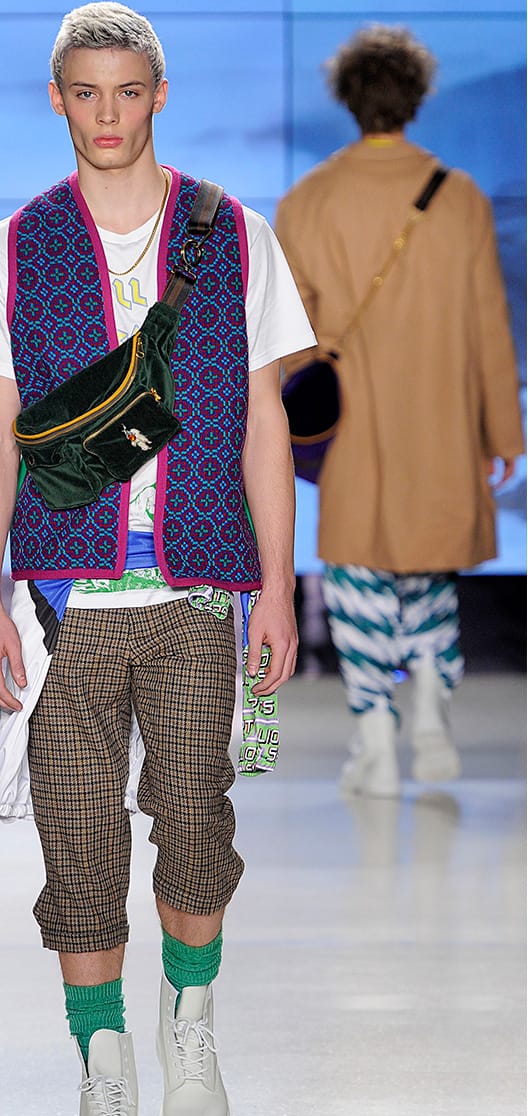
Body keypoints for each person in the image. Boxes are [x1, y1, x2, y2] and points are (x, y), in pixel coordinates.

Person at [0, 1, 314, 1116]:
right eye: (85, 92)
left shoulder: (237, 234)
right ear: (58, 99)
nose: (107, 113)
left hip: (199, 594)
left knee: (197, 820)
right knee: (79, 842)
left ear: (157, 96)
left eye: (128, 91)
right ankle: (102, 1075)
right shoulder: (13, 247)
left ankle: (188, 1018)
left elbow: (263, 422)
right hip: (63, 604)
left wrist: (278, 588)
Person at [275, 25, 523, 799]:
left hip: (352, 427)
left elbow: (286, 335)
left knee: (357, 577)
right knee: (429, 574)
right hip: (441, 421)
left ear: (348, 101)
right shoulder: (459, 197)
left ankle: (376, 737)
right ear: (415, 99)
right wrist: (502, 429)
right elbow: (488, 322)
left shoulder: (308, 200)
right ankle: (431, 716)